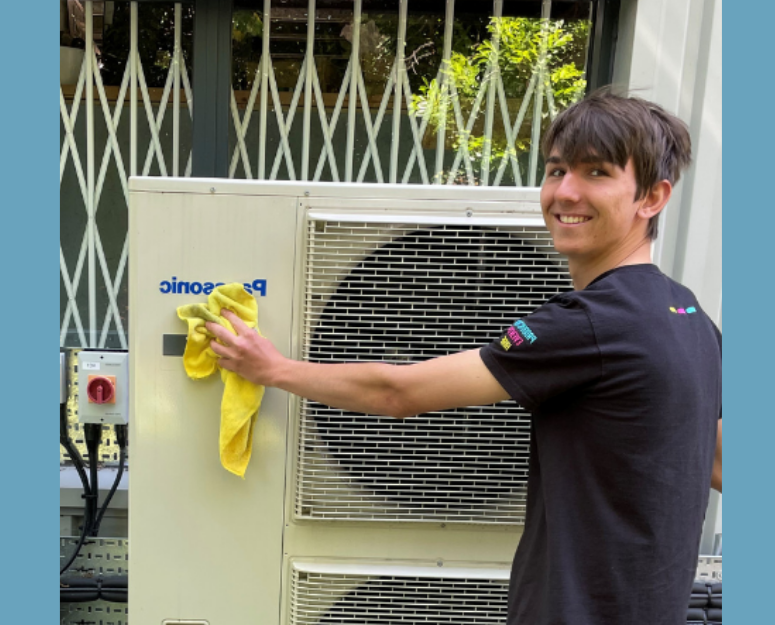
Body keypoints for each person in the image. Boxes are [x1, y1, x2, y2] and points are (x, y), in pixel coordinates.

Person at [206, 91, 722, 625]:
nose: (564, 192)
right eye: (555, 169)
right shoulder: (689, 315)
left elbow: (398, 392)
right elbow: (719, 460)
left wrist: (272, 368)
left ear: (652, 197)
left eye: (596, 172)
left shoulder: (592, 321)